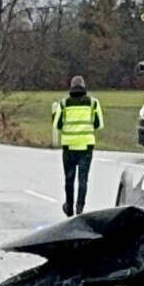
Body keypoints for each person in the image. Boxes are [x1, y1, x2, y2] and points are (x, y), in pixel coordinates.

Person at [51, 75, 104, 215]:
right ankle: (80, 207)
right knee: (83, 179)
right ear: (84, 87)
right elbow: (98, 125)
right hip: (86, 146)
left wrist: (54, 115)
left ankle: (69, 207)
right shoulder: (93, 103)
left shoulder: (63, 104)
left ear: (71, 87)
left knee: (69, 179)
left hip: (69, 146)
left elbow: (57, 125)